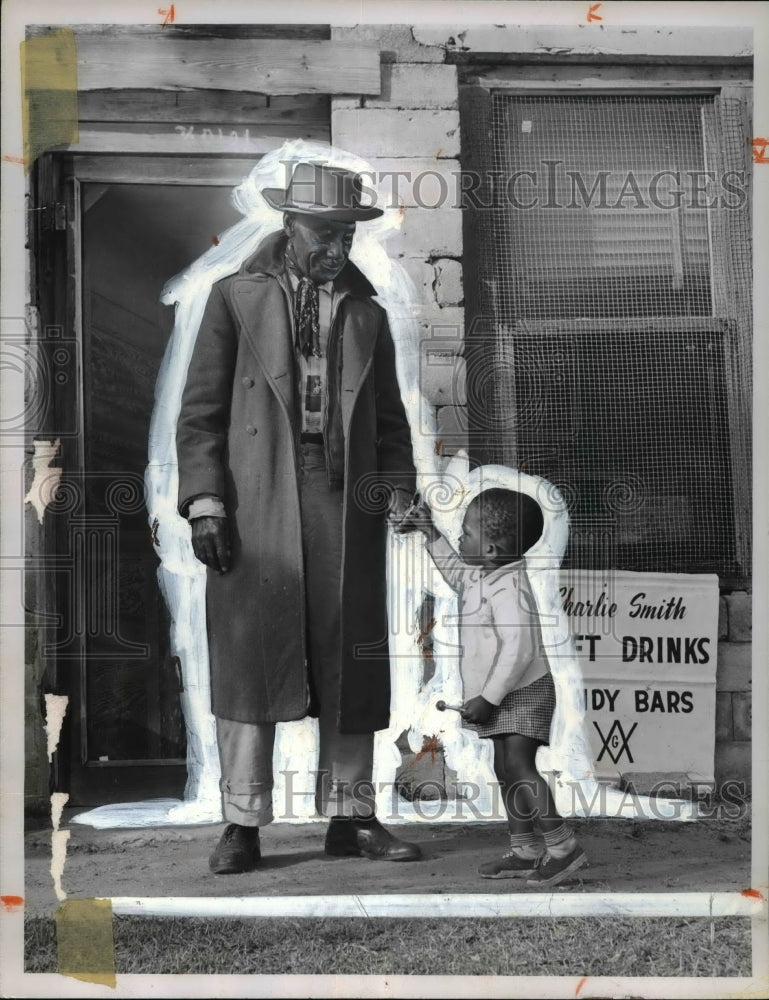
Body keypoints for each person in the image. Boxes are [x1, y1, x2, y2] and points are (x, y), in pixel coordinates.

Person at [176, 161, 422, 873]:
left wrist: (399, 487)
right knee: (253, 656)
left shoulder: (367, 312)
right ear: (288, 225)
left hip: (346, 497)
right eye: (324, 232)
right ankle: (242, 825)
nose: (337, 248)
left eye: (346, 234)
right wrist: (206, 504)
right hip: (255, 497)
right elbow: (200, 417)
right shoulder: (232, 299)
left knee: (350, 657)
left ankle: (352, 818)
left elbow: (388, 419)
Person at [406, 487, 587, 887]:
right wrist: (428, 532)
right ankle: (525, 850)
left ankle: (563, 849)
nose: (460, 539)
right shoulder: (482, 572)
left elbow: (518, 650)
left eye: (465, 533)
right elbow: (455, 571)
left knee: (520, 767)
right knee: (504, 768)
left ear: (490, 549)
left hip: (524, 691)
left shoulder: (510, 590)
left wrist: (487, 699)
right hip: (503, 693)